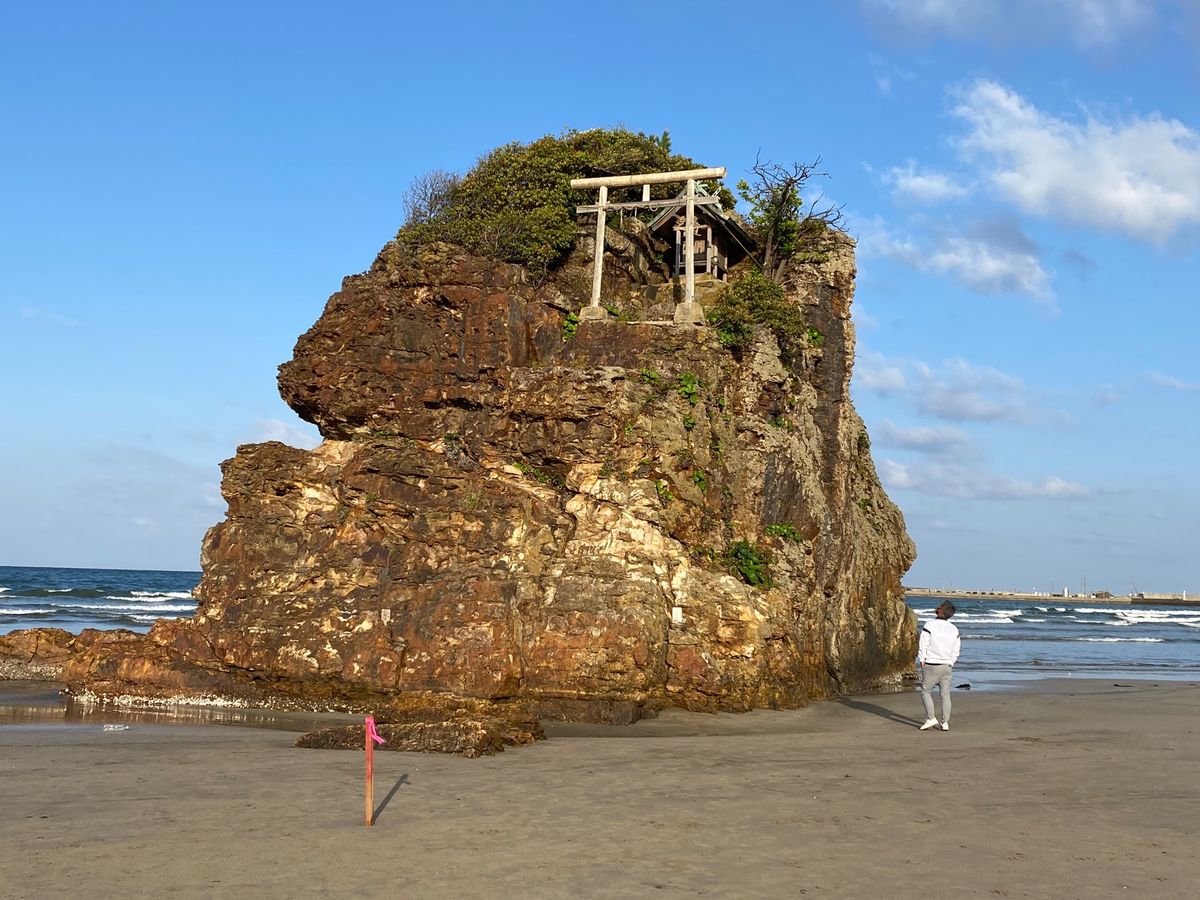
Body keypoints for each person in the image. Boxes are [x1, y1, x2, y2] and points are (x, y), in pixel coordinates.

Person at [917, 600, 960, 731]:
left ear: (941, 611)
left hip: (932, 664)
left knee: (926, 691)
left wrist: (922, 658)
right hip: (947, 666)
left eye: (939, 607)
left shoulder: (930, 624)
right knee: (945, 695)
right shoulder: (954, 629)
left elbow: (923, 643)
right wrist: (951, 662)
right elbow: (956, 649)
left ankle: (931, 718)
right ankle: (945, 722)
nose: (937, 608)